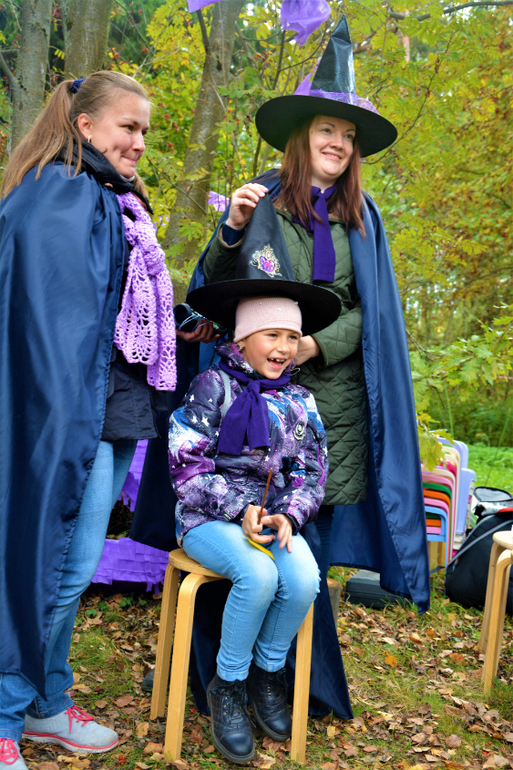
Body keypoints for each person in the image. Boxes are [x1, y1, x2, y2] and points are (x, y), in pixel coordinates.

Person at [0, 71, 204, 770]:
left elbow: (113, 303)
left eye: (144, 130)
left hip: (112, 406)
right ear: (85, 125)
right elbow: (49, 324)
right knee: (55, 564)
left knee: (72, 563)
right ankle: (8, 708)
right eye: (128, 126)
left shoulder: (112, 199)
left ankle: (45, 701)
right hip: (68, 411)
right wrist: (63, 418)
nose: (139, 142)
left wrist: (181, 320)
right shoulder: (58, 194)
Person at [169, 280, 337, 763]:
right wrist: (236, 509)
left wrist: (290, 514)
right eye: (272, 335)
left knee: (303, 580)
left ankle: (267, 673)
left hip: (270, 518)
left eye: (292, 337)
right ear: (242, 338)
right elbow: (186, 464)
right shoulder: (212, 387)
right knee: (259, 575)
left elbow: (312, 471)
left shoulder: (299, 400)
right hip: (208, 517)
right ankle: (228, 683)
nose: (284, 347)